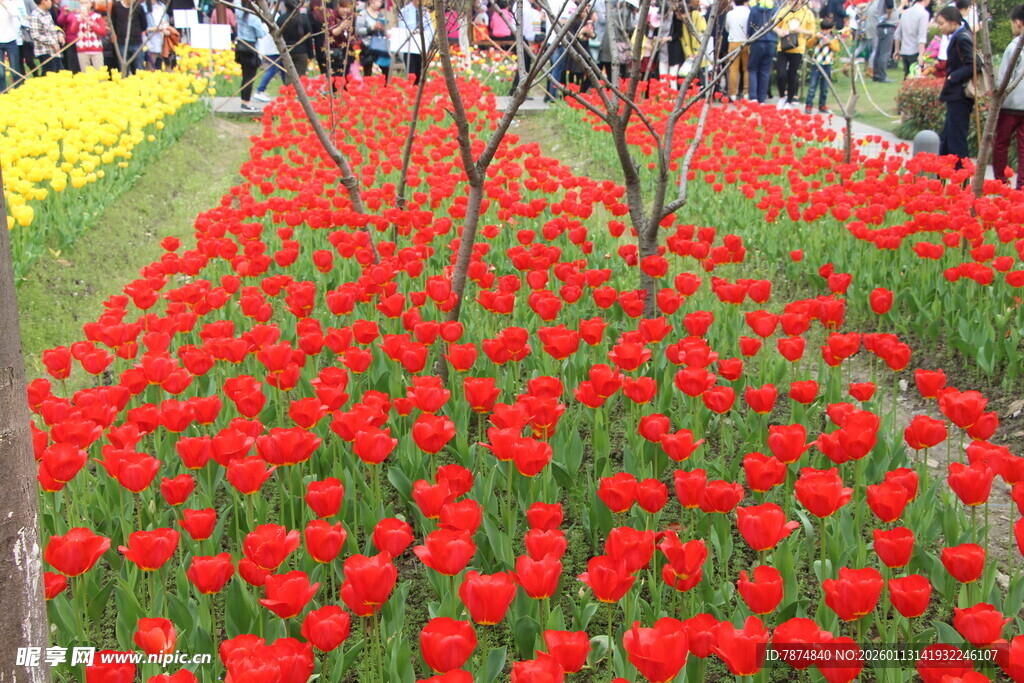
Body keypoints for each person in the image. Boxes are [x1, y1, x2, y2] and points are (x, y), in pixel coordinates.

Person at [936, 5, 974, 164]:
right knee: (947, 137)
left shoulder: (962, 37)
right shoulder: (959, 35)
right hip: (954, 94)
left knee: (956, 139)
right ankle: (942, 171)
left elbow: (974, 64)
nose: (940, 27)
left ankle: (960, 173)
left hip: (960, 94)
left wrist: (953, 77)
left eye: (942, 23)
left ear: (953, 22)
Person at [993, 5, 1024, 188]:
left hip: (1010, 105)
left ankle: (1000, 183)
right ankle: (1022, 187)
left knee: (1001, 144)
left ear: (1018, 23)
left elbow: (1004, 79)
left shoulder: (1014, 47)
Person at [774, 0, 814, 107]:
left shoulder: (807, 13)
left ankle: (789, 100)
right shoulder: (784, 11)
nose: (795, 3)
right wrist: (780, 32)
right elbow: (775, 25)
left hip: (798, 48)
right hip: (783, 47)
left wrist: (800, 30)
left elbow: (812, 32)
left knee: (792, 75)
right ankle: (781, 96)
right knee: (781, 74)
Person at [804, 15, 839, 113]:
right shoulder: (817, 36)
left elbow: (836, 49)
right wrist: (815, 37)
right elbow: (809, 44)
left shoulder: (833, 38)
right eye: (824, 29)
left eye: (827, 29)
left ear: (831, 29)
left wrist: (829, 43)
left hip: (827, 64)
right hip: (816, 63)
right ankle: (809, 105)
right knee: (812, 85)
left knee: (824, 86)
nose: (825, 31)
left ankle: (822, 105)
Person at [746, 0, 779, 103]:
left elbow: (750, 27)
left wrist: (749, 38)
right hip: (771, 42)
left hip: (757, 41)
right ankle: (762, 98)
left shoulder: (754, 9)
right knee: (765, 71)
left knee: (753, 69)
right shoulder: (775, 9)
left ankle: (753, 97)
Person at [234, 6, 266, 112]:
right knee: (250, 78)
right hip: (250, 49)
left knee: (245, 76)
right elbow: (261, 34)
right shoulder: (253, 17)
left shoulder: (240, 13)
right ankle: (246, 102)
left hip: (241, 47)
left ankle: (244, 101)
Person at [396, 0, 433, 82]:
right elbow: (402, 28)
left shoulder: (425, 12)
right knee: (411, 70)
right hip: (409, 46)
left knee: (421, 70)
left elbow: (430, 29)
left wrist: (426, 40)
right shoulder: (405, 11)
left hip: (422, 45)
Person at [893, 0, 928, 78]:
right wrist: (921, 55)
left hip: (904, 51)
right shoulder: (923, 14)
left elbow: (897, 34)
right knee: (915, 79)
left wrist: (897, 50)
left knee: (907, 76)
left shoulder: (905, 13)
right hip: (915, 51)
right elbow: (921, 36)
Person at [356, 0, 389, 79]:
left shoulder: (381, 15)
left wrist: (383, 29)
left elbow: (385, 32)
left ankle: (384, 84)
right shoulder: (363, 14)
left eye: (380, 2)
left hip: (380, 46)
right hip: (368, 45)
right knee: (368, 71)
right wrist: (372, 28)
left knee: (385, 70)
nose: (378, 4)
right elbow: (358, 31)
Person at [111, 0, 146, 73]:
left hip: (137, 42)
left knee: (139, 67)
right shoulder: (116, 6)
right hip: (121, 42)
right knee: (124, 69)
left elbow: (144, 25)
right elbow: (113, 22)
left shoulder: (138, 7)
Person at [28, 0, 62, 73]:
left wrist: (59, 34)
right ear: (43, 1)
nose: (50, 2)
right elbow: (35, 35)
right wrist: (52, 42)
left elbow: (53, 27)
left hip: (55, 51)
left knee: (59, 72)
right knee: (49, 74)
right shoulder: (35, 15)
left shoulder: (47, 13)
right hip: (45, 52)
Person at [724, 0, 749, 99]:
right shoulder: (748, 12)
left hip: (733, 42)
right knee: (746, 68)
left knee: (733, 69)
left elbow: (727, 28)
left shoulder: (730, 14)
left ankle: (733, 93)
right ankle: (746, 92)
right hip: (746, 41)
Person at [868, 0, 895, 81]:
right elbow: (890, 4)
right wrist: (889, 15)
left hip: (880, 26)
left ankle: (876, 74)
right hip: (887, 25)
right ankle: (882, 76)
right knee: (884, 53)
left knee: (879, 52)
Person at [75, 0, 105, 70]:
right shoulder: (77, 17)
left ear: (91, 4)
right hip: (82, 48)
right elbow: (73, 31)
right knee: (85, 73)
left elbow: (103, 32)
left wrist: (91, 23)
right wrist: (79, 20)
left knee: (99, 72)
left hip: (96, 48)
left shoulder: (97, 16)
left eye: (86, 3)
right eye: (81, 3)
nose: (84, 5)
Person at [0, 0, 21, 90]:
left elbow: (14, 13)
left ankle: (18, 90)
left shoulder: (10, 2)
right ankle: (3, 92)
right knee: (1, 72)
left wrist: (3, 3)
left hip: (11, 40)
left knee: (15, 69)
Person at [144, 0, 170, 70]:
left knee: (163, 55)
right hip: (151, 35)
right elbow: (144, 25)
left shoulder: (162, 5)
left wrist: (164, 28)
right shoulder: (144, 6)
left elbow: (166, 19)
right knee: (152, 55)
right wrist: (153, 29)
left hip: (162, 34)